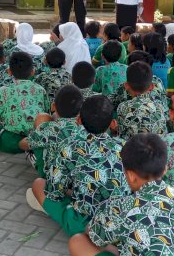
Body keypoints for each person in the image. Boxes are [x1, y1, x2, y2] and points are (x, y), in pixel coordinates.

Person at [28, 94, 129, 237]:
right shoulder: (125, 147)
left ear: (79, 120)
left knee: (38, 184)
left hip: (83, 221)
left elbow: (54, 191)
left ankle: (71, 221)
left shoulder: (71, 147)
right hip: (119, 218)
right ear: (112, 124)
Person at [0, 52, 48, 154]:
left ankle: (25, 144)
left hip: (10, 139)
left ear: (9, 72)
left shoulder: (4, 90)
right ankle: (34, 143)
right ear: (33, 72)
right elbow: (46, 112)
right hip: (37, 133)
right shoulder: (40, 89)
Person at [21, 84, 85, 178]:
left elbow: (24, 144)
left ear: (53, 106)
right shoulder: (87, 126)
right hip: (79, 178)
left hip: (54, 178)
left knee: (41, 120)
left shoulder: (48, 128)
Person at [116, 61, 167, 139]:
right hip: (159, 149)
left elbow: (122, 136)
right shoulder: (160, 106)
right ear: (152, 87)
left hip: (134, 149)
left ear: (126, 85)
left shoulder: (123, 107)